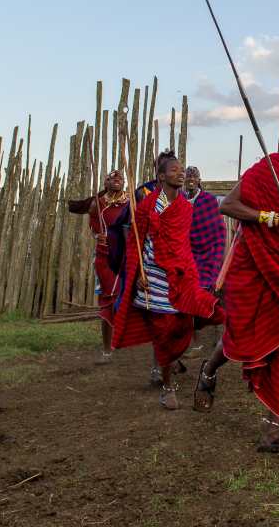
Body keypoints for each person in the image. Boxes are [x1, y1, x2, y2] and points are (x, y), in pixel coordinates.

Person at [192, 120, 279, 454]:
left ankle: (273, 429)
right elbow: (229, 205)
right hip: (254, 269)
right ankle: (209, 369)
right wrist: (272, 218)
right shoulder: (272, 167)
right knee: (242, 335)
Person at [113, 152, 222, 409]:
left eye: (182, 169)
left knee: (190, 322)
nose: (181, 173)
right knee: (163, 333)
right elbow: (136, 242)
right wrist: (138, 272)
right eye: (174, 170)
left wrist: (192, 269)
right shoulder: (148, 205)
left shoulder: (186, 207)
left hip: (181, 274)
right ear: (161, 176)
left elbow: (185, 242)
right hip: (154, 278)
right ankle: (167, 386)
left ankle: (180, 361)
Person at [68, 169, 132, 364]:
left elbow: (135, 226)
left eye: (120, 178)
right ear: (106, 182)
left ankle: (134, 339)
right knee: (108, 302)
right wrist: (98, 236)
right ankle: (106, 349)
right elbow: (91, 225)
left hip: (126, 257)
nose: (117, 181)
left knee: (130, 300)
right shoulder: (98, 202)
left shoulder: (131, 203)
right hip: (104, 257)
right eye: (112, 178)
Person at [182, 166, 226, 293]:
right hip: (186, 255)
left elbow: (219, 231)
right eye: (188, 176)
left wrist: (217, 256)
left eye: (194, 176)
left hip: (207, 256)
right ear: (184, 179)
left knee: (204, 294)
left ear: (199, 180)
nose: (191, 178)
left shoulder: (209, 201)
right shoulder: (179, 201)